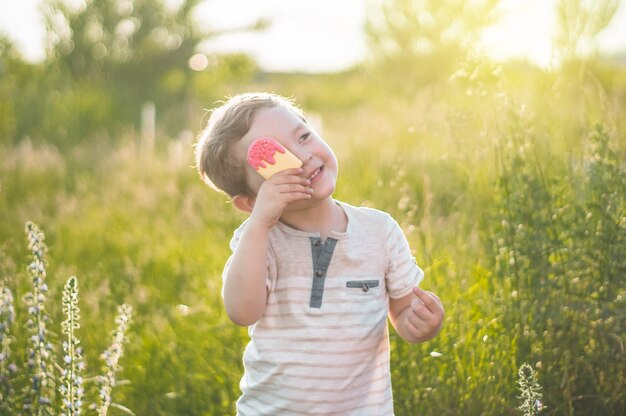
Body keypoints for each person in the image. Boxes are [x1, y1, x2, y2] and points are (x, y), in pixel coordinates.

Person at [194, 92, 444, 415]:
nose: (301, 158)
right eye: (273, 161)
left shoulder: (379, 231)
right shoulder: (257, 240)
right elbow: (242, 311)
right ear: (250, 202)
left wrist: (421, 323)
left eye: (303, 136)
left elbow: (403, 310)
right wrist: (258, 225)